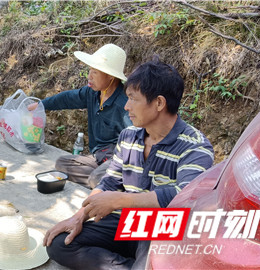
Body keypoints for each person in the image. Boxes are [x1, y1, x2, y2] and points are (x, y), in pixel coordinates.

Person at [43, 58, 215, 270]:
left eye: (133, 99)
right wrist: (78, 217)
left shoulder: (195, 147)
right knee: (60, 244)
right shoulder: (129, 135)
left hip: (160, 229)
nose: (126, 106)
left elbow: (184, 197)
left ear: (159, 103)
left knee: (159, 258)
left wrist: (119, 200)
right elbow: (109, 182)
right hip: (126, 222)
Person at [30, 44, 131, 189]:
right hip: (98, 157)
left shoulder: (124, 104)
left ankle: (107, 182)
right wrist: (41, 105)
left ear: (110, 76)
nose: (89, 76)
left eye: (95, 72)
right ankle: (105, 183)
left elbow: (135, 141)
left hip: (117, 159)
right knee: (62, 164)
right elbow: (66, 99)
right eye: (90, 70)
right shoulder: (92, 93)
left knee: (96, 178)